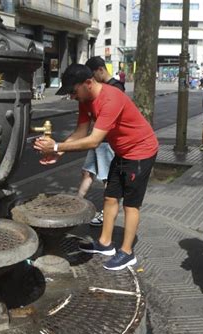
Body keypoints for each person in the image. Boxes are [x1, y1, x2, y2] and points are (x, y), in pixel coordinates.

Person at [34, 64, 158, 271]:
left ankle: (127, 253)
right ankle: (105, 243)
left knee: (130, 204)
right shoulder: (86, 99)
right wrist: (58, 152)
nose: (72, 97)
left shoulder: (112, 98)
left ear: (88, 83)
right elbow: (82, 131)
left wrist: (56, 145)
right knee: (110, 196)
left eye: (73, 91)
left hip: (140, 152)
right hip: (121, 152)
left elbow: (93, 141)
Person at [79, 56, 124, 226]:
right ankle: (77, 203)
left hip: (105, 142)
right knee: (87, 172)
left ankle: (107, 214)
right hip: (96, 139)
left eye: (91, 75)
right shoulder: (102, 88)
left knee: (107, 179)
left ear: (100, 70)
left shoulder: (115, 88)